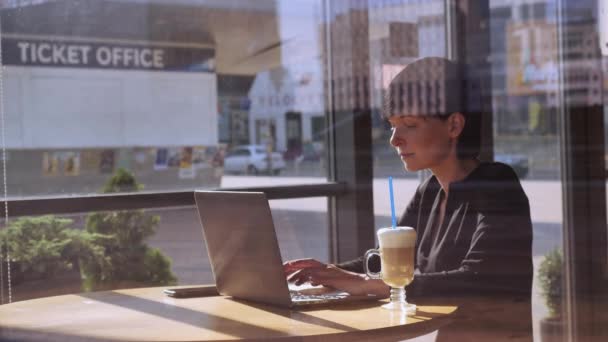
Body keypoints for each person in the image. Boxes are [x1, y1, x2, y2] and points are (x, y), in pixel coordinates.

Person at [283, 57, 533, 299]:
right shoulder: (430, 191)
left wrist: (362, 283)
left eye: (409, 124)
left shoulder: (498, 184)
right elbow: (385, 261)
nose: (394, 139)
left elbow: (478, 280)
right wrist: (325, 273)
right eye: (392, 125)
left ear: (454, 125)